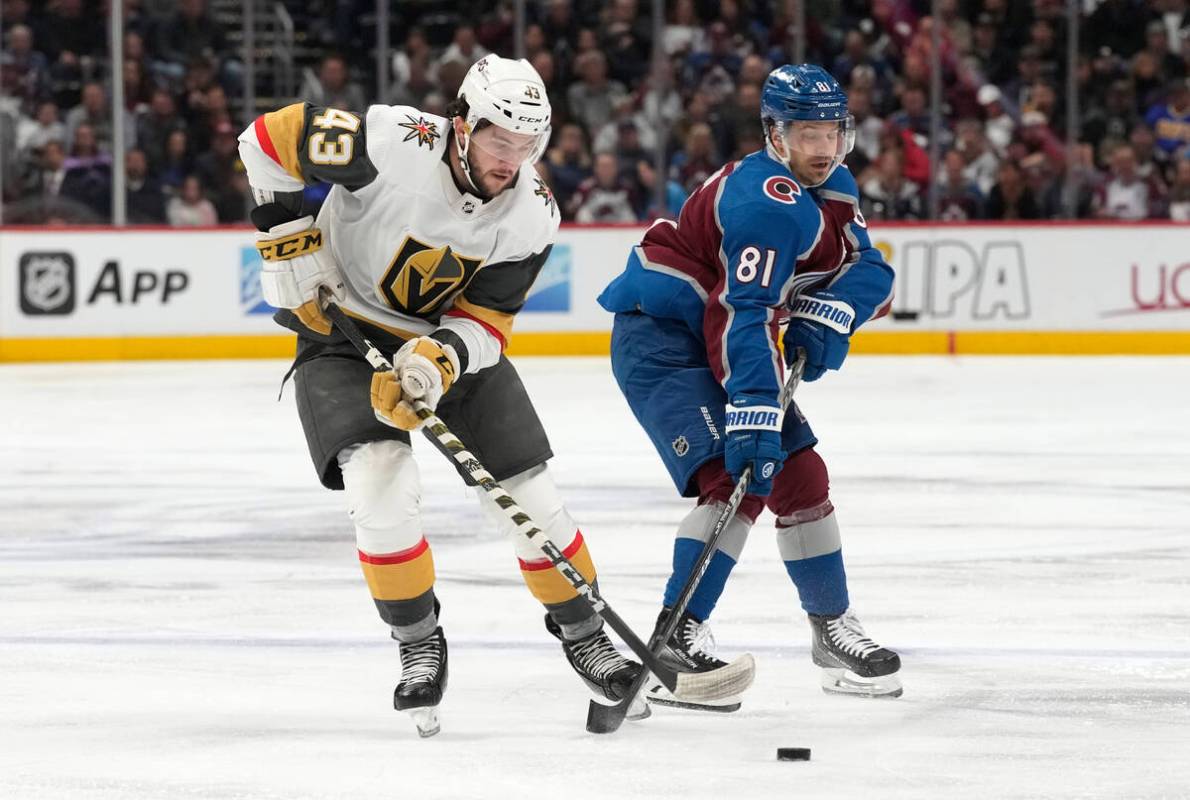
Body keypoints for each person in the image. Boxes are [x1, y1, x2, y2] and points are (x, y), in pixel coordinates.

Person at [237, 56, 648, 737]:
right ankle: (418, 639)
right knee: (380, 486)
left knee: (529, 496)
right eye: (498, 141)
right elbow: (266, 140)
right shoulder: (393, 140)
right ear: (462, 126)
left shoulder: (534, 215)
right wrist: (287, 243)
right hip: (341, 330)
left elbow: (488, 322)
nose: (510, 160)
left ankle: (586, 633)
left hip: (443, 349)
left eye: (527, 146)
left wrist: (439, 360)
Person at [598, 64, 903, 711]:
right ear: (774, 132)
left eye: (831, 133)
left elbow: (871, 269)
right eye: (805, 133)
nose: (822, 149)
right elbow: (745, 312)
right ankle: (676, 638)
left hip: (723, 339)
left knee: (804, 477)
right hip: (664, 342)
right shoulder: (763, 202)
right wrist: (756, 409)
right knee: (738, 478)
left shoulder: (833, 187)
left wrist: (832, 311)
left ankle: (831, 632)